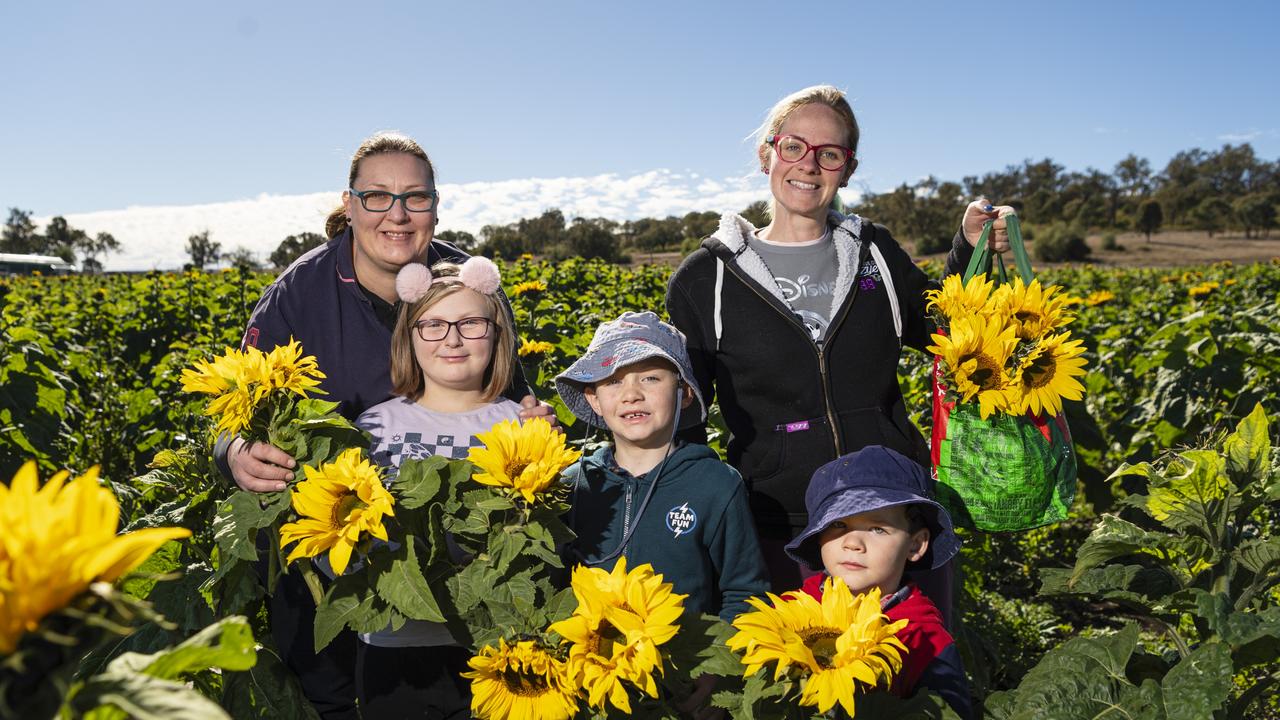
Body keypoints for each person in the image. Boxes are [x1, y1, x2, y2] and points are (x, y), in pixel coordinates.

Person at [214, 132, 552, 719]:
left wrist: (534, 425)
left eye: (414, 198)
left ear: (436, 207)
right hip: (323, 543)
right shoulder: (300, 293)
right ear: (348, 206)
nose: (397, 214)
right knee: (329, 694)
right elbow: (237, 407)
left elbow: (510, 392)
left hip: (451, 566)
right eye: (377, 197)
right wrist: (235, 450)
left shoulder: (463, 287)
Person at [664, 85, 1013, 601]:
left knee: (918, 668)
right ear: (767, 155)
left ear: (846, 170)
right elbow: (684, 417)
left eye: (829, 154)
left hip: (892, 521)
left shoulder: (876, 254)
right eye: (793, 147)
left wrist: (969, 248)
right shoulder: (706, 279)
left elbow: (947, 327)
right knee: (798, 674)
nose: (809, 165)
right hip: (782, 525)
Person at [352, 257, 522, 718]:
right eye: (433, 325)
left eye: (470, 323)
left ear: (496, 334)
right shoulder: (372, 428)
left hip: (495, 641)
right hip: (394, 645)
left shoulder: (521, 423)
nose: (452, 339)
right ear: (409, 336)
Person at [555, 311, 770, 622]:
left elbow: (745, 594)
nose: (631, 394)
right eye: (614, 381)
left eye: (651, 378)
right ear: (594, 399)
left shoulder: (715, 485)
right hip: (587, 661)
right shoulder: (572, 485)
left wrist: (714, 665)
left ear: (683, 393)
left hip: (685, 663)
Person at [783, 446, 971, 719]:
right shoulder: (792, 611)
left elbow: (949, 712)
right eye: (838, 525)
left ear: (915, 545)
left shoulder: (924, 640)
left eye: (877, 529)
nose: (853, 543)